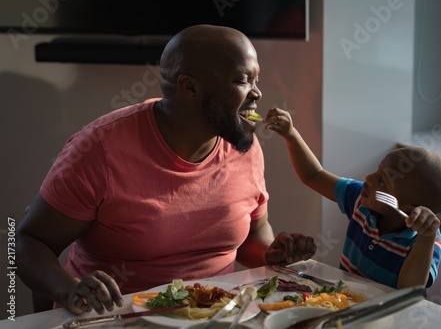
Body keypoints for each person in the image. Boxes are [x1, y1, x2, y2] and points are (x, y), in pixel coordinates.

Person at [16, 25, 317, 315]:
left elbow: (252, 234)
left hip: (215, 315)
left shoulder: (242, 145)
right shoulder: (100, 148)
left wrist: (271, 254)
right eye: (243, 80)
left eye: (257, 81)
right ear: (190, 87)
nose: (257, 94)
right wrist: (68, 289)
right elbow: (28, 241)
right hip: (117, 317)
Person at [265, 107, 441, 289]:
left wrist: (426, 237)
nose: (368, 179)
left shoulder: (426, 242)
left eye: (382, 181)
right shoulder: (362, 202)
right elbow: (314, 176)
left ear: (409, 208)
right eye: (377, 171)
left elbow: (409, 290)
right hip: (345, 302)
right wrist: (291, 135)